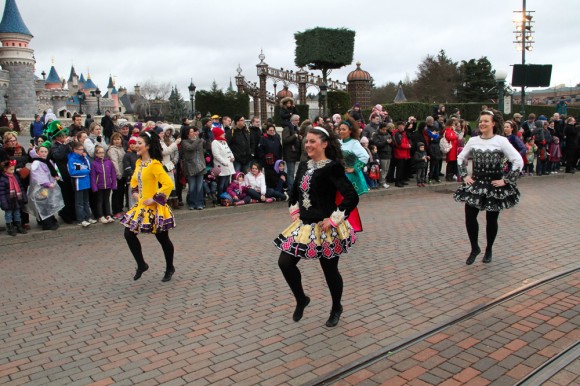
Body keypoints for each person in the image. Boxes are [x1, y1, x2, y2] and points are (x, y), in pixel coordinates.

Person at [274, 125, 359, 327]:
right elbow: (294, 191)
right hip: (304, 226)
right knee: (285, 263)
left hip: (326, 228)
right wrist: (294, 208)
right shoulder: (304, 165)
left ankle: (336, 306)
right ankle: (301, 298)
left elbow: (351, 196)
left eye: (313, 141)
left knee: (329, 270)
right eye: (307, 141)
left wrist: (334, 218)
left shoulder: (332, 167)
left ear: (325, 144)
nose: (308, 144)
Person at [454, 109, 524, 265]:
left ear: (493, 123)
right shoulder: (473, 141)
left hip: (494, 185)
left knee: (491, 219)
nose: (482, 123)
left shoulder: (501, 141)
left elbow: (518, 160)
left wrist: (507, 180)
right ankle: (474, 248)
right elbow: (460, 157)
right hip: (477, 183)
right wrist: (465, 175)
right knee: (470, 217)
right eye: (481, 121)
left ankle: (489, 249)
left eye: (486, 121)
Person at [120, 131, 176, 282]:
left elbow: (168, 184)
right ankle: (141, 264)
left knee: (162, 238)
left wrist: (155, 198)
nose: (136, 145)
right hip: (141, 206)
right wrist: (135, 192)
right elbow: (133, 181)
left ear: (148, 146)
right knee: (128, 234)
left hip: (155, 207)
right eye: (136, 143)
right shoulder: (139, 162)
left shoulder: (155, 164)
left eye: (140, 143)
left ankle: (170, 267)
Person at [28, 144, 63, 231]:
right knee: (43, 205)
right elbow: (37, 175)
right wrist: (46, 183)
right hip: (41, 188)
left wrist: (56, 177)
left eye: (45, 152)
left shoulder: (47, 161)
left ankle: (48, 220)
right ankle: (47, 223)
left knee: (48, 204)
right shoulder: (37, 162)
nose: (44, 153)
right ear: (38, 153)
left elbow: (53, 170)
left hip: (48, 187)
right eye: (42, 152)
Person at [338, 118, 369, 195]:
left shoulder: (354, 143)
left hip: (350, 177)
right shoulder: (339, 142)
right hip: (340, 175)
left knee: (349, 202)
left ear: (350, 131)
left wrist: (354, 168)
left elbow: (365, 156)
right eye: (340, 129)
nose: (341, 131)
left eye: (344, 129)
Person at [68, 141, 94, 227]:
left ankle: (87, 217)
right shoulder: (72, 159)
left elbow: (89, 167)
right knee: (79, 203)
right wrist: (85, 171)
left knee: (86, 201)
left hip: (86, 182)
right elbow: (73, 172)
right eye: (80, 150)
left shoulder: (83, 158)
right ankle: (81, 219)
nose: (82, 151)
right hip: (78, 183)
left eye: (83, 149)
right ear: (75, 150)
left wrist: (86, 158)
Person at [0, 159, 28, 235]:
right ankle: (10, 227)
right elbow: (1, 193)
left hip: (17, 199)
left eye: (13, 169)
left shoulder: (15, 177)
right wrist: (4, 203)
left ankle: (19, 226)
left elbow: (20, 187)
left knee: (17, 213)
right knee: (8, 214)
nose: (13, 171)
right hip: (8, 200)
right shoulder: (3, 179)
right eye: (11, 169)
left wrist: (24, 197)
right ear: (5, 169)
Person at [90, 145, 117, 223]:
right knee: (99, 201)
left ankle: (108, 215)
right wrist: (94, 187)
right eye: (99, 152)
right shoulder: (94, 163)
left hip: (108, 185)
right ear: (96, 154)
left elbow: (113, 174)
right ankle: (100, 216)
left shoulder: (109, 162)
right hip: (99, 186)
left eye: (103, 152)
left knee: (107, 200)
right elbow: (93, 176)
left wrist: (114, 184)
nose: (101, 154)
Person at [181, 127, 206, 210]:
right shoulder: (184, 142)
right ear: (187, 134)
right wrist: (198, 140)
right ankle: (191, 203)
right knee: (192, 186)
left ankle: (199, 203)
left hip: (200, 166)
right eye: (191, 132)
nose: (194, 133)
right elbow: (191, 148)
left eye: (193, 132)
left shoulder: (199, 141)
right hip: (191, 166)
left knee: (199, 186)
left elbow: (205, 149)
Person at [160, 125, 181, 209]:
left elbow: (176, 152)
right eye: (166, 130)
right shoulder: (162, 142)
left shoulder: (172, 140)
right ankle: (167, 202)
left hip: (172, 163)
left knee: (173, 182)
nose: (168, 132)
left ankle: (174, 201)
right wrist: (175, 144)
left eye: (169, 130)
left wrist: (174, 162)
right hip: (165, 163)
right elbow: (166, 151)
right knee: (166, 182)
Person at [107, 133, 126, 218]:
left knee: (121, 192)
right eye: (115, 139)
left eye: (118, 139)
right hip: (117, 174)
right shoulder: (112, 150)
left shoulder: (122, 148)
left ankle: (120, 209)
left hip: (122, 173)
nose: (117, 141)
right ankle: (116, 211)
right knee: (116, 193)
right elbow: (114, 162)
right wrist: (118, 173)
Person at [282, 114, 302, 188]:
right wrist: (295, 136)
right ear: (292, 120)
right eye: (296, 120)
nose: (298, 121)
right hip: (289, 154)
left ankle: (292, 189)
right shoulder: (287, 128)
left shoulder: (296, 128)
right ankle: (291, 190)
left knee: (293, 172)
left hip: (294, 154)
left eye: (298, 120)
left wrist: (299, 138)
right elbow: (285, 140)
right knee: (290, 173)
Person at [371, 123, 392, 189]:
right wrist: (386, 142)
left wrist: (390, 142)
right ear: (380, 129)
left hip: (388, 153)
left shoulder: (388, 134)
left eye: (386, 129)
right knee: (383, 169)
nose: (385, 131)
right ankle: (382, 182)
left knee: (386, 169)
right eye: (383, 129)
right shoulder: (376, 135)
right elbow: (377, 144)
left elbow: (391, 141)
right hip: (382, 154)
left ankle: (383, 181)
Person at [392, 121, 411, 188]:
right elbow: (398, 144)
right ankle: (398, 182)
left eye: (403, 126)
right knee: (399, 169)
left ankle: (401, 180)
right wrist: (407, 146)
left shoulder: (403, 133)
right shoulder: (397, 134)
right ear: (398, 126)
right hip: (399, 153)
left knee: (402, 168)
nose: (402, 127)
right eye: (401, 126)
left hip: (404, 153)